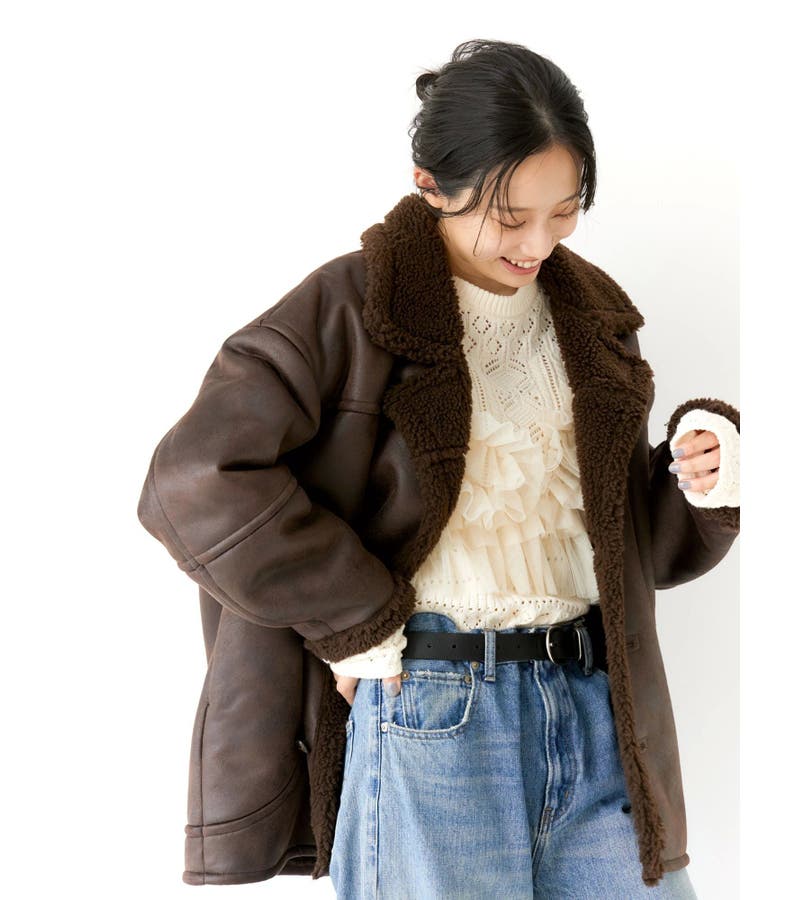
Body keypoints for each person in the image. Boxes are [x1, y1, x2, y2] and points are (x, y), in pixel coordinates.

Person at [137, 39, 739, 899]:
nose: (539, 241)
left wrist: (703, 477)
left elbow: (625, 546)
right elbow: (194, 477)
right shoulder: (350, 306)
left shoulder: (596, 317)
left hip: (599, 709)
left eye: (564, 211)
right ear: (430, 184)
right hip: (434, 710)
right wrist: (358, 620)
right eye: (510, 215)